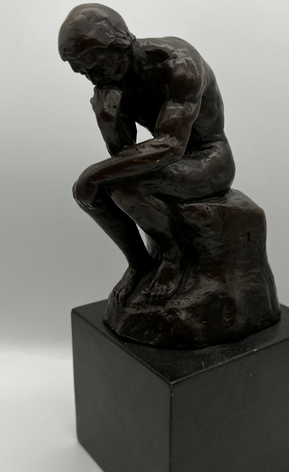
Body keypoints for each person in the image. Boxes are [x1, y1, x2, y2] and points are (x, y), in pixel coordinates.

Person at [59, 4, 236, 305]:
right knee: (86, 191)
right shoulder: (113, 82)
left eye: (95, 67)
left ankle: (173, 255)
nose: (92, 79)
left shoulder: (179, 64)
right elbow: (123, 154)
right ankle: (139, 262)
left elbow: (171, 145)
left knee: (118, 186)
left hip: (208, 158)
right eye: (83, 73)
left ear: (119, 45)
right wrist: (107, 120)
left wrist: (93, 173)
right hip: (168, 160)